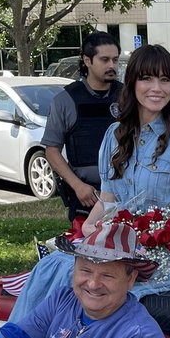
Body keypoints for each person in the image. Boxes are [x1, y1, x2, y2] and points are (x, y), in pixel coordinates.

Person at [13, 44, 170, 315]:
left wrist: (142, 241)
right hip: (112, 249)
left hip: (159, 258)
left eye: (165, 80)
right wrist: (89, 226)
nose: (157, 88)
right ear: (132, 83)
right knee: (52, 266)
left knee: (86, 286)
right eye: (147, 78)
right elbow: (109, 199)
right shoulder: (115, 135)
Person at [0, 220, 169, 338]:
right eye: (85, 271)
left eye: (107, 275)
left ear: (130, 279)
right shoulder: (63, 299)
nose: (93, 284)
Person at [42, 31, 122, 225]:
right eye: (104, 60)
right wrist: (78, 186)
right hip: (87, 196)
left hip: (124, 193)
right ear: (87, 60)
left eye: (115, 60)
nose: (111, 65)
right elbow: (51, 150)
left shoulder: (128, 96)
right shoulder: (65, 100)